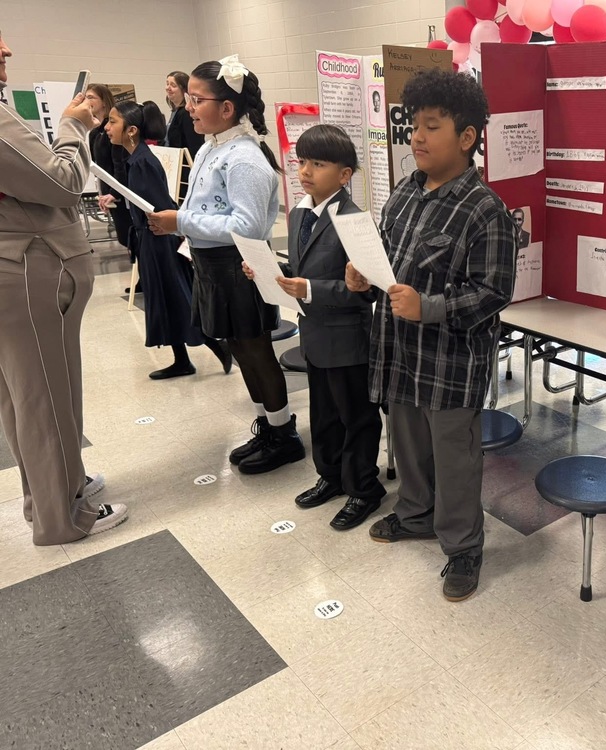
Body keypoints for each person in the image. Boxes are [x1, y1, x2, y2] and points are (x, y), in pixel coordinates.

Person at [346, 68, 517, 602]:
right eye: (414, 125)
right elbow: (387, 258)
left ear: (466, 137)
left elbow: (493, 292)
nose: (417, 137)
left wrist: (431, 307)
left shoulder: (485, 210)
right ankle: (416, 513)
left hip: (451, 363)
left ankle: (463, 546)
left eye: (431, 127)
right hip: (400, 352)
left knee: (454, 457)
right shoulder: (405, 192)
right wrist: (363, 277)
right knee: (409, 444)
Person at [147, 54, 305, 475]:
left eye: (197, 100)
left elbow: (247, 226)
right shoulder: (211, 147)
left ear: (228, 107)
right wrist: (179, 222)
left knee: (256, 349)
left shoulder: (245, 158)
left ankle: (284, 435)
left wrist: (181, 221)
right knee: (239, 348)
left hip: (240, 266)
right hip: (213, 264)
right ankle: (268, 426)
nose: (188, 107)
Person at [0, 31, 128, 544]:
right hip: (25, 271)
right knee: (46, 397)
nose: (7, 51)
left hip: (15, 272)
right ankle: (64, 517)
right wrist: (74, 126)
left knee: (22, 398)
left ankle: (52, 492)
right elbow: (62, 182)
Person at [245, 124, 386, 526]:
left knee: (356, 417)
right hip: (315, 335)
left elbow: (367, 290)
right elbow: (303, 269)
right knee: (323, 415)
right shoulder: (301, 213)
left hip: (347, 340)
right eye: (302, 161)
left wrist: (309, 289)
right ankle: (332, 476)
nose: (305, 171)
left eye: (318, 164)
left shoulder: (354, 221)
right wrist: (270, 272)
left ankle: (364, 488)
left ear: (345, 175)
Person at [105, 100, 231, 379]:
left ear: (131, 130)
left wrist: (166, 230)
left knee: (176, 299)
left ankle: (216, 344)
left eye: (113, 122)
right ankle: (182, 360)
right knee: (166, 299)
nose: (107, 127)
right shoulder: (135, 159)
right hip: (150, 239)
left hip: (158, 241)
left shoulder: (142, 162)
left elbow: (161, 205)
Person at [86, 83, 135, 256]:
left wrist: (115, 193)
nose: (87, 101)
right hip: (109, 190)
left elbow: (119, 164)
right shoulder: (95, 132)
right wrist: (103, 193)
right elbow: (98, 166)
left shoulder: (113, 130)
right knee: (123, 237)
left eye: (91, 97)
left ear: (104, 102)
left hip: (121, 190)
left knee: (128, 236)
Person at [164, 71, 203, 201]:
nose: (168, 88)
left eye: (173, 85)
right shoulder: (175, 112)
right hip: (175, 168)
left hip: (185, 170)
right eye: (167, 84)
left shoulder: (186, 114)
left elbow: (194, 144)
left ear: (183, 89)